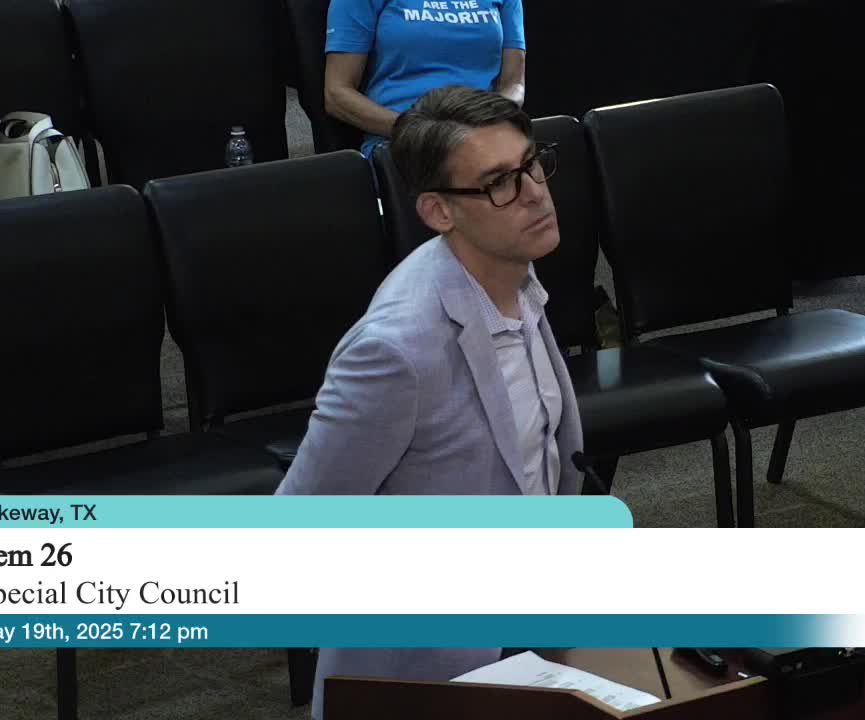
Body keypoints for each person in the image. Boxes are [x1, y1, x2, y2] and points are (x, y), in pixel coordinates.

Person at [276, 85, 582, 718]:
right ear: (439, 211)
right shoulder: (395, 350)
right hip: (423, 672)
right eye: (498, 182)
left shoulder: (513, 271)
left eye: (532, 164)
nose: (533, 192)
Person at [323, 0, 527, 156]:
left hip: (485, 135)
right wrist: (421, 131)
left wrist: (490, 124)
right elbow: (337, 94)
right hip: (405, 139)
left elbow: (514, 84)